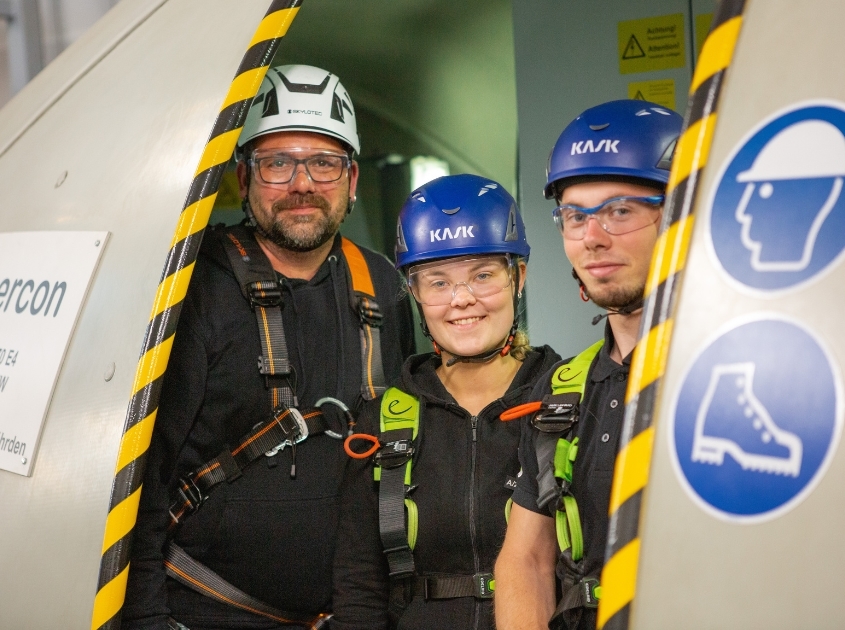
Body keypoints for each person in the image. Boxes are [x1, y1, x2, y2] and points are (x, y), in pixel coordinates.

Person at [122, 64, 415, 630]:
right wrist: (145, 618)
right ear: (242, 177)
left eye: (324, 163)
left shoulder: (383, 286)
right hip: (202, 611)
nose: (302, 183)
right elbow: (142, 476)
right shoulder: (191, 287)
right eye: (277, 162)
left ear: (352, 181)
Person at [330, 173, 561, 630]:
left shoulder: (569, 402)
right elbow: (359, 592)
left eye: (482, 275)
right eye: (438, 283)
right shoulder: (382, 424)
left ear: (519, 276)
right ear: (414, 293)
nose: (462, 300)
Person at [494, 99, 683, 630]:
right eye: (575, 216)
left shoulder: (735, 371)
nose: (592, 236)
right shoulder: (564, 390)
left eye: (619, 210)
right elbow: (525, 559)